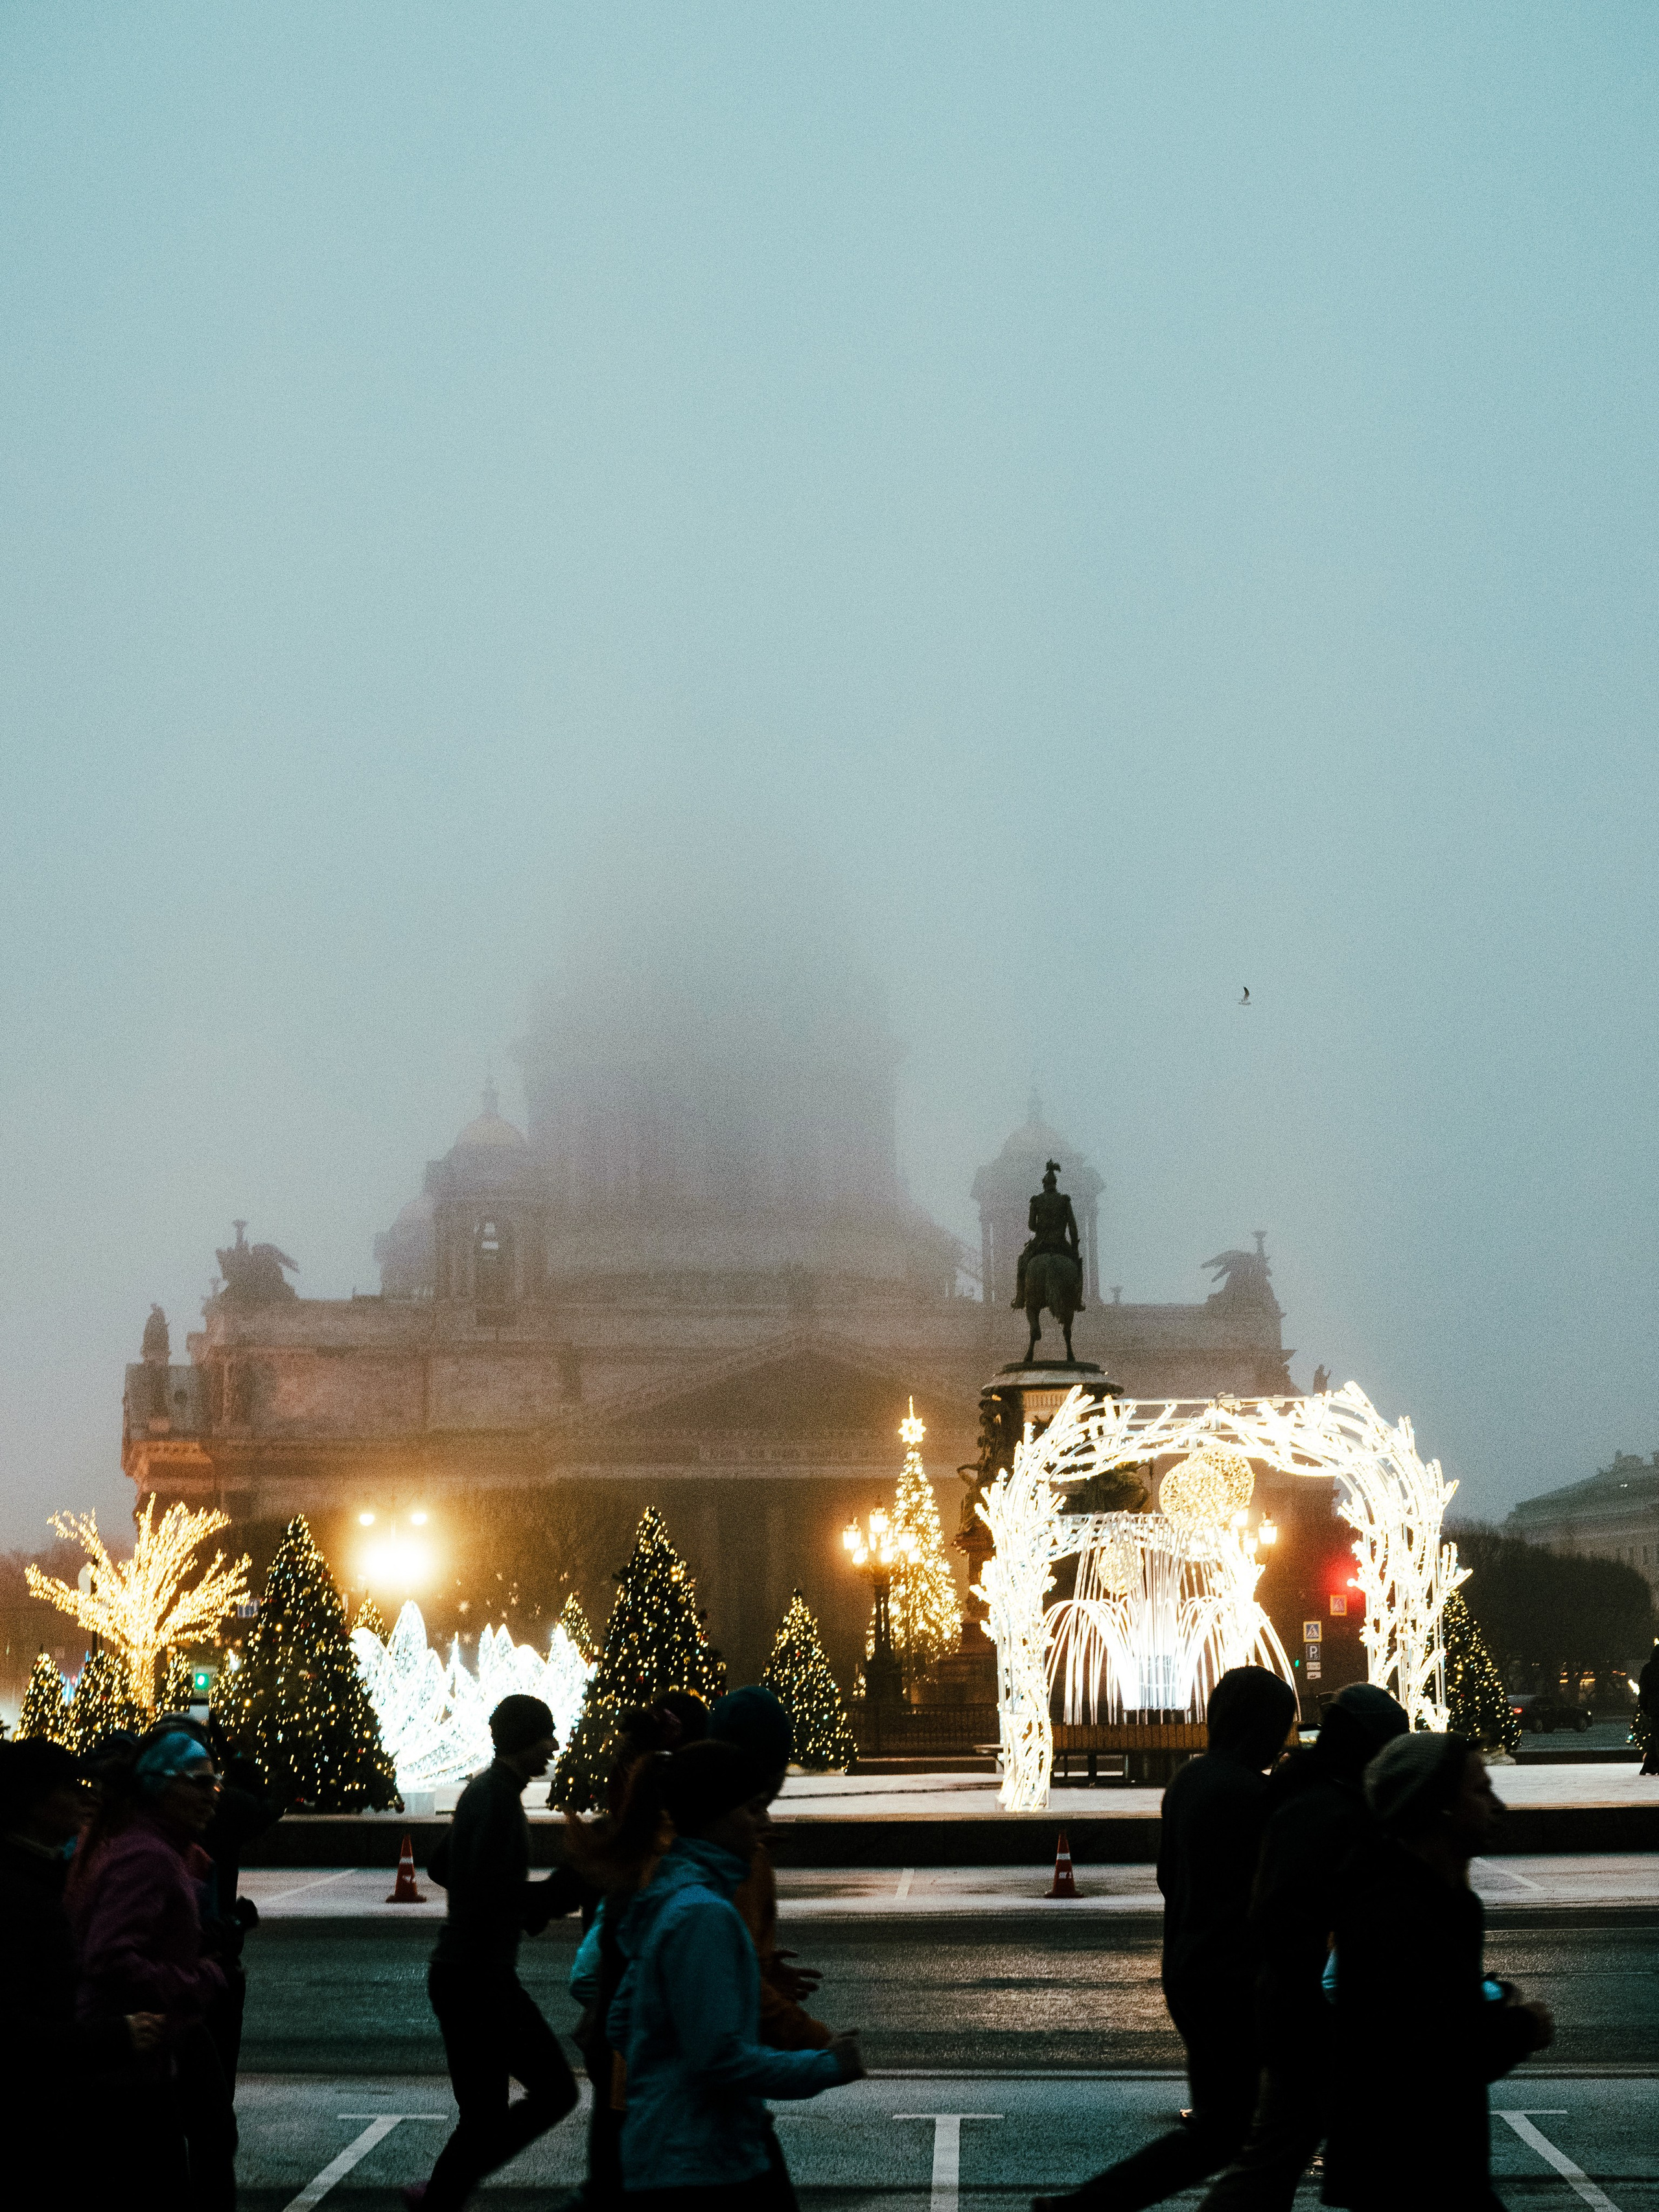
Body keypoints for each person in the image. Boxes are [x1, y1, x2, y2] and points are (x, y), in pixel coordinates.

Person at [1035, 1665, 1298, 2212]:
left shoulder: (1190, 1779)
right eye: (1281, 1724)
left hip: (1187, 1968)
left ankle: (1082, 2209)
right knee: (1260, 2129)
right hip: (1231, 1980)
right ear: (1260, 1727)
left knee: (1223, 2129)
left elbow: (1165, 1875)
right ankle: (1081, 2209)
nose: (1283, 1737)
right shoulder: (1249, 1793)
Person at [608, 1739, 865, 2207]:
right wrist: (826, 2064)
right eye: (753, 1809)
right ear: (715, 1815)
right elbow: (721, 2058)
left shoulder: (669, 1893)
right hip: (703, 2164)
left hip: (668, 2153)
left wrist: (664, 2067)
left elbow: (622, 2019)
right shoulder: (706, 1914)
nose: (765, 1823)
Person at [1196, 1684, 1409, 2212]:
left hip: (1299, 2008)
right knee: (1290, 2158)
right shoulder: (1325, 1807)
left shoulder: (1314, 1792)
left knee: (1275, 2157)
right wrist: (1322, 1992)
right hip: (1309, 2014)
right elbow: (1286, 1915)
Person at [1324, 1731, 1553, 2211]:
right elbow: (1433, 2053)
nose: (1498, 1805)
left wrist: (1487, 1998)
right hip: (1409, 2169)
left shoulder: (1440, 1899)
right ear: (1439, 1806)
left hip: (1428, 2164)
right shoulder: (1396, 1911)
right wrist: (1523, 2024)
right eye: (1480, 1789)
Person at [410, 1693, 588, 2212]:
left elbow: (446, 1866)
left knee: (489, 2112)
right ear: (523, 1740)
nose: (553, 1746)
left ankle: (445, 2194)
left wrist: (517, 1902)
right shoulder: (496, 1800)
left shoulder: (483, 1792)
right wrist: (550, 1895)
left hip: (469, 1972)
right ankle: (444, 2196)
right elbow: (487, 1886)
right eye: (545, 1735)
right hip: (477, 1978)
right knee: (552, 2091)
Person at [67, 1728, 236, 2212]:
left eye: (215, 1782)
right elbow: (109, 1954)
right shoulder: (149, 1855)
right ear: (162, 1784)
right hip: (128, 2062)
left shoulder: (149, 1847)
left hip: (138, 2056)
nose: (213, 1795)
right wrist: (199, 1981)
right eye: (201, 1783)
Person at [0, 1739, 165, 2212]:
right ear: (33, 1801)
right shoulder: (16, 1894)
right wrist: (116, 2035)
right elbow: (12, 2028)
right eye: (70, 1788)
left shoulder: (40, 1874)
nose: (85, 1797)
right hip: (30, 2116)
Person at [568, 1697, 712, 2207]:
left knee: (612, 2174)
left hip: (626, 2043)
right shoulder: (662, 1864)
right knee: (615, 2180)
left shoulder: (632, 1851)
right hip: (637, 2056)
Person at [710, 1684, 835, 2051]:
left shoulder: (727, 1847)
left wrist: (759, 1968)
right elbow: (720, 1988)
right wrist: (820, 2048)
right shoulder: (715, 1863)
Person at [1638, 1640, 1659, 1777]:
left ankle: (1650, 1765)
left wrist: (1644, 1707)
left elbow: (1643, 1691)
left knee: (1656, 1736)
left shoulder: (1648, 1669)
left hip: (1655, 1708)